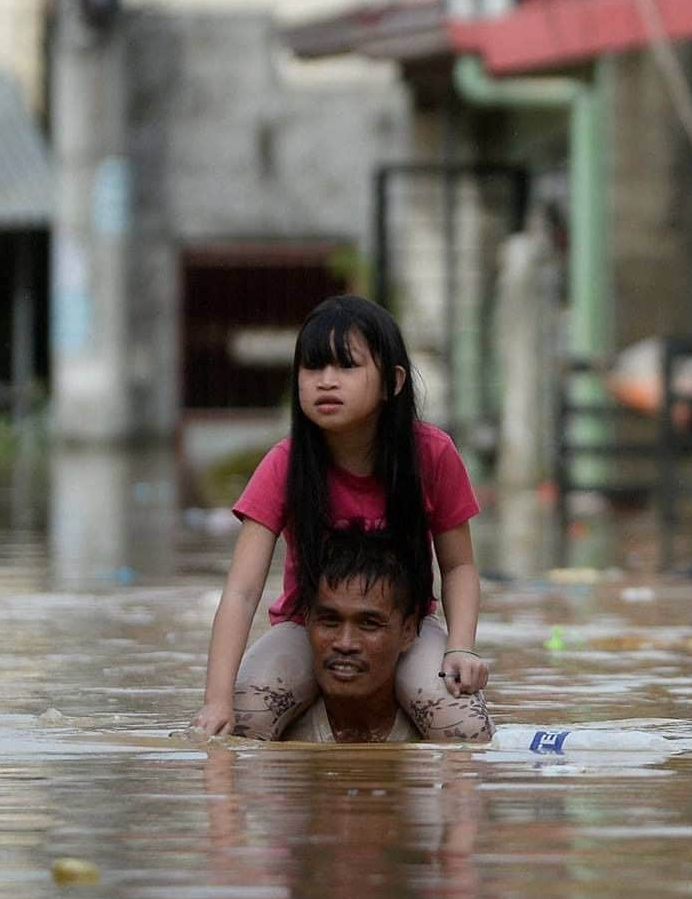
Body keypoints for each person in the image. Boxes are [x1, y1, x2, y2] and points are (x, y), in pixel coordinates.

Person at [190, 294, 493, 742]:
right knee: (243, 722)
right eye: (313, 369)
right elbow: (241, 590)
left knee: (464, 730)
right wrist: (216, 702)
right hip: (306, 629)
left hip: (403, 631)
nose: (326, 382)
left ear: (393, 382)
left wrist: (461, 647)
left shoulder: (432, 455)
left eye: (347, 366)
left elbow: (458, 566)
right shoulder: (284, 464)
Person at [283, 528, 428, 743]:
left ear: (408, 631)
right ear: (306, 619)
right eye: (329, 621)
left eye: (369, 624)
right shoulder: (273, 730)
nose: (345, 643)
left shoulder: (440, 734)